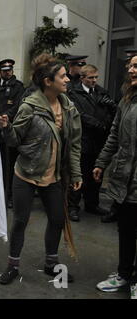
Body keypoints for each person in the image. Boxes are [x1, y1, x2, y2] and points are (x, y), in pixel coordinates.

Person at [0, 53, 82, 285]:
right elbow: (14, 141)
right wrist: (6, 128)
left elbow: (74, 145)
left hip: (53, 177)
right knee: (20, 221)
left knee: (56, 220)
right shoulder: (29, 107)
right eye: (62, 76)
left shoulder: (69, 108)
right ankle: (13, 265)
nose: (67, 79)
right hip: (25, 175)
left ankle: (51, 264)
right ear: (48, 81)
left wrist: (76, 174)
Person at [94, 54, 137, 299]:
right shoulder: (126, 100)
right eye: (129, 66)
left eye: (136, 66)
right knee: (126, 229)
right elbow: (114, 135)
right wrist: (102, 162)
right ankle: (124, 274)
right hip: (124, 179)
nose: (131, 70)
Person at [67, 65, 116, 222]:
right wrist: (97, 124)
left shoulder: (102, 92)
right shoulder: (74, 93)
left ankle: (92, 204)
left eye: (96, 77)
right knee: (78, 173)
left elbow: (111, 114)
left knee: (96, 175)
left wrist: (106, 121)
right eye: (90, 78)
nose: (94, 80)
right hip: (82, 140)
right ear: (82, 78)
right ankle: (73, 206)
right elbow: (79, 115)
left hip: (99, 141)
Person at [0, 59, 25, 208]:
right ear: (0, 72)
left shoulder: (18, 86)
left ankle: (11, 196)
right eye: (4, 70)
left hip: (10, 128)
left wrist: (6, 118)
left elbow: (19, 106)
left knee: (11, 164)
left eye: (9, 70)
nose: (7, 73)